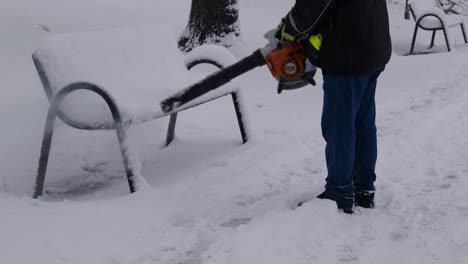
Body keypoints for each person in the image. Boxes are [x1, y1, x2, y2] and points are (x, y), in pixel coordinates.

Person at [277, 0, 392, 214]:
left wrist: (290, 28)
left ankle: (339, 193)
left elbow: (315, 5)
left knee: (340, 125)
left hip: (348, 53)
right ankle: (363, 189)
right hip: (373, 43)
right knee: (362, 123)